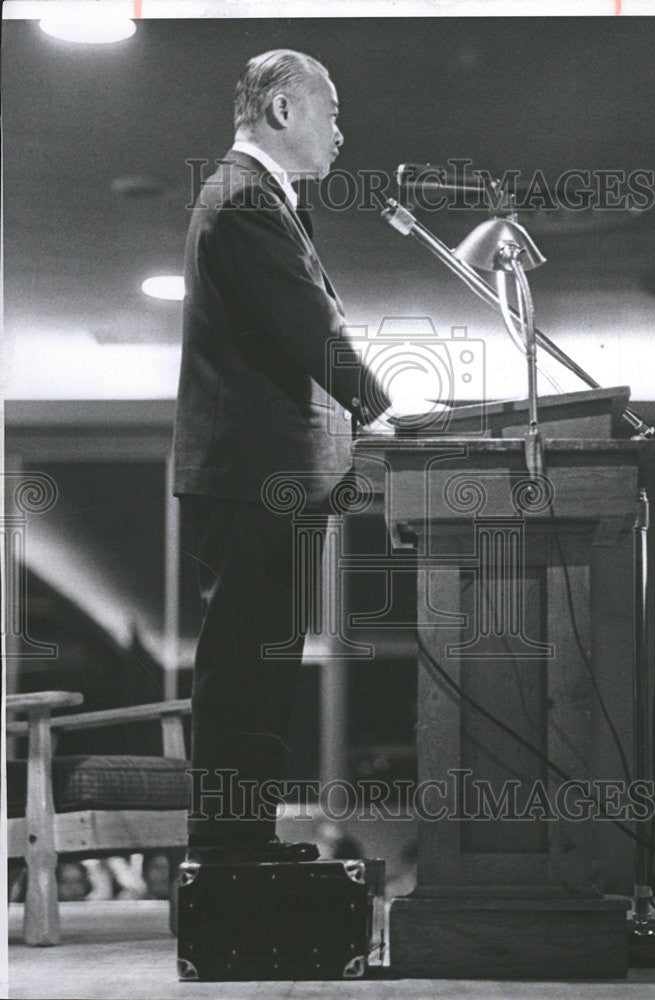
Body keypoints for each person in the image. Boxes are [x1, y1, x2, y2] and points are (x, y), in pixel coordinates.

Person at [172, 49, 393, 864]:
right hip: (252, 478)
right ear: (284, 111)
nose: (343, 129)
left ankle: (241, 841)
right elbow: (310, 328)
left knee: (259, 662)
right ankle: (229, 849)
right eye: (331, 110)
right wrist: (385, 417)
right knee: (245, 663)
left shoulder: (261, 198)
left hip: (269, 480)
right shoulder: (243, 201)